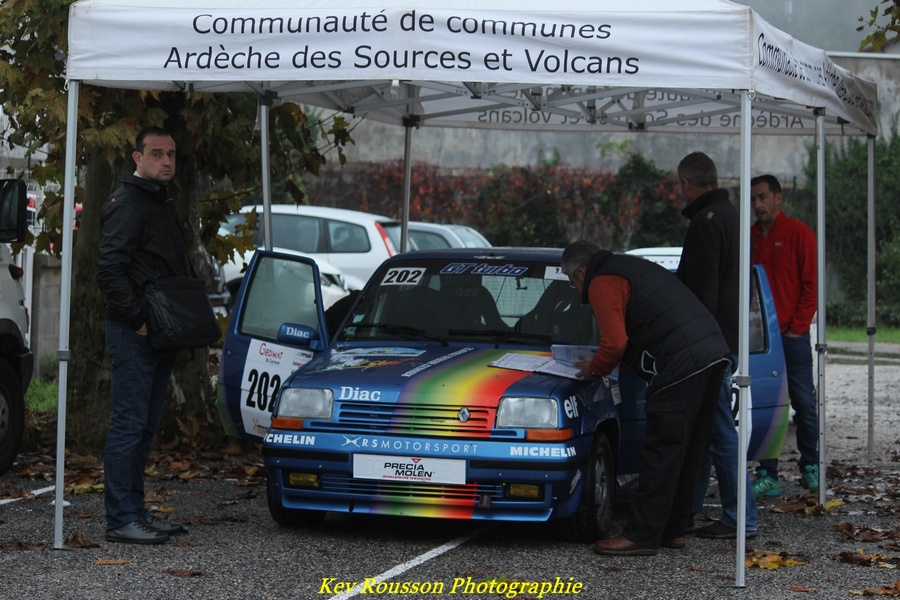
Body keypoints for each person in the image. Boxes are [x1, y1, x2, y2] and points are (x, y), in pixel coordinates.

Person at [562, 240, 730, 556]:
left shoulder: (601, 281)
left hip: (681, 360)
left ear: (582, 272)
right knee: (689, 448)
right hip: (712, 351)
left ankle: (641, 536)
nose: (575, 289)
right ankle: (673, 529)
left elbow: (614, 343)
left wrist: (595, 369)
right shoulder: (629, 268)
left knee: (660, 449)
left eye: (572, 281)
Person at [96, 127, 189, 544]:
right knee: (129, 425)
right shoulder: (128, 203)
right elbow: (109, 271)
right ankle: (120, 519)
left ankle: (135, 512)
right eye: (156, 154)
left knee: (144, 427)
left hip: (158, 334)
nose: (166, 161)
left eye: (170, 154)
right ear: (137, 158)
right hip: (135, 333)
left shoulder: (160, 202)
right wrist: (138, 320)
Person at [676, 152, 758, 540]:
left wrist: (696, 343)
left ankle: (740, 516)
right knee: (708, 429)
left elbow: (702, 292)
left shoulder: (706, 223)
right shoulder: (733, 216)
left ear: (688, 184)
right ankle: (691, 509)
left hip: (712, 342)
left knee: (720, 430)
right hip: (729, 336)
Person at [750, 174, 820, 497]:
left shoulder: (799, 234)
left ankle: (810, 466)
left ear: (779, 198)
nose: (757, 205)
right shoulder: (748, 238)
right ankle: (768, 473)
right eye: (753, 200)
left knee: (804, 402)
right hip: (761, 340)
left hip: (790, 336)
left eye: (763, 197)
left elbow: (811, 286)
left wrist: (797, 327)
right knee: (768, 404)